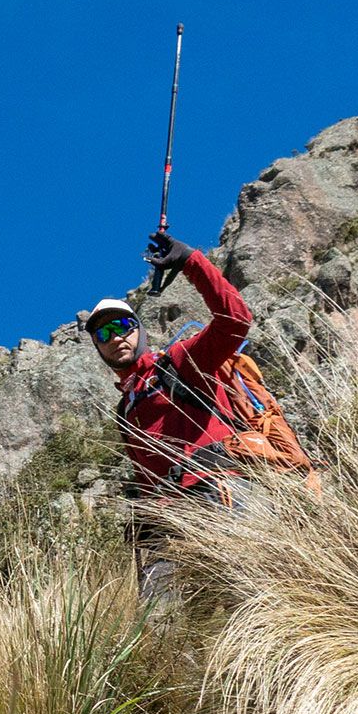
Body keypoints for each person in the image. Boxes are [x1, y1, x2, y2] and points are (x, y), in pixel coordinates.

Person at [81, 230, 253, 595]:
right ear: (98, 347)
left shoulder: (179, 362)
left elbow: (235, 320)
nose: (115, 337)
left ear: (139, 331)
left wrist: (190, 260)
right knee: (161, 626)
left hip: (220, 493)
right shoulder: (125, 408)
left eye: (122, 326)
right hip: (170, 524)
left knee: (252, 598)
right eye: (103, 334)